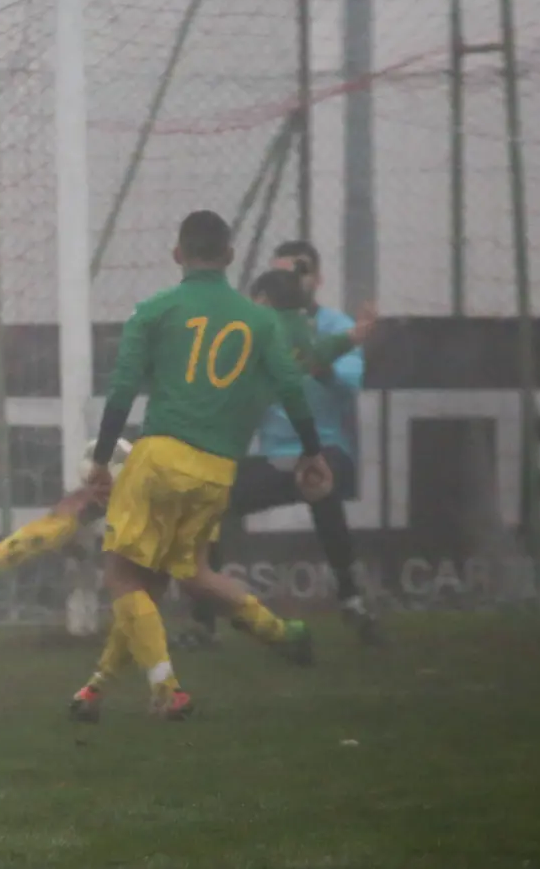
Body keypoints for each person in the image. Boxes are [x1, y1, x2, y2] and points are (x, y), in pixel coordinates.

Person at [73, 210, 332, 720]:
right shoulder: (259, 320)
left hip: (160, 459)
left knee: (124, 577)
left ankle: (167, 691)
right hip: (217, 471)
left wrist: (103, 459)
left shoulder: (153, 311)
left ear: (177, 254)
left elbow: (123, 390)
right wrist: (312, 451)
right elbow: (290, 385)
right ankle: (282, 634)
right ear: (230, 257)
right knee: (186, 573)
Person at [185, 240, 382, 648]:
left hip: (326, 448)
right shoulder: (255, 332)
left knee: (318, 479)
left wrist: (317, 361)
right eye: (282, 273)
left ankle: (352, 600)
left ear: (318, 278)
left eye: (300, 271)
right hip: (273, 457)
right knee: (207, 497)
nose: (290, 280)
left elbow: (349, 385)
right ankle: (204, 622)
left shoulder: (331, 325)